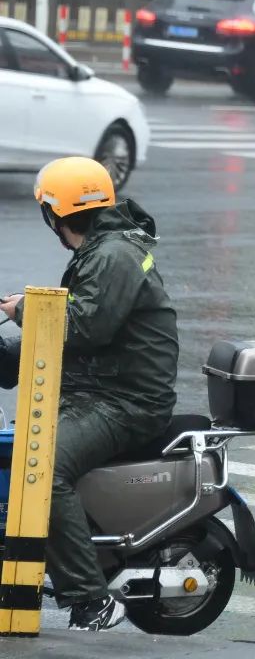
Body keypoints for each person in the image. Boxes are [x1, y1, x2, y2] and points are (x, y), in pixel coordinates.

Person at [0, 157, 178, 631]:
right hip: (98, 387)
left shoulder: (113, 254)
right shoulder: (102, 249)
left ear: (54, 214)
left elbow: (82, 326)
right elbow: (69, 331)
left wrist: (23, 312)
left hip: (126, 401)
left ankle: (91, 599)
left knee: (41, 464)